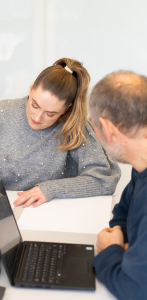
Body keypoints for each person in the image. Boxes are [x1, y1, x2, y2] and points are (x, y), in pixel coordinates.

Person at [0, 58, 120, 207]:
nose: (37, 117)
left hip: (53, 213)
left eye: (51, 114)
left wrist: (51, 189)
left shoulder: (77, 128)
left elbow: (103, 180)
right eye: (34, 104)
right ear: (31, 88)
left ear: (66, 109)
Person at [89, 71, 147, 299]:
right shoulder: (141, 164)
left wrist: (112, 250)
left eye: (94, 127)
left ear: (108, 128)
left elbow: (135, 290)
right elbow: (124, 211)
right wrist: (125, 243)